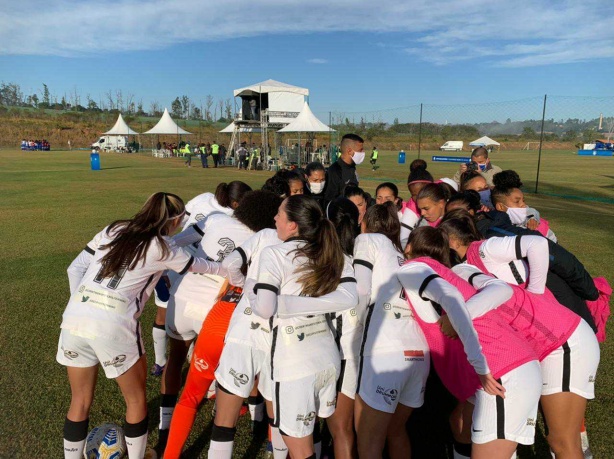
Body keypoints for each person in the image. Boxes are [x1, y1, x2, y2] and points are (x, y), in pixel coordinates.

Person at [57, 192, 223, 459]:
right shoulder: (163, 248)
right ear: (177, 219)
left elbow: (74, 269)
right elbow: (205, 267)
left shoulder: (115, 228)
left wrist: (83, 306)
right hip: (113, 327)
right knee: (135, 401)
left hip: (73, 321)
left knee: (79, 401)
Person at [439, 213, 601, 459]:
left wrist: (535, 291)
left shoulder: (482, 250)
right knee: (466, 423)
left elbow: (537, 244)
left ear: (450, 240)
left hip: (562, 342)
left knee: (561, 440)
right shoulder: (464, 270)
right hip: (533, 345)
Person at [401, 227, 542, 459]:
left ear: (409, 249)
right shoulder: (445, 274)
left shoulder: (416, 269)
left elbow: (457, 301)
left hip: (501, 371)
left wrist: (482, 368)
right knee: (460, 425)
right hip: (508, 366)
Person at [162, 191, 282, 459]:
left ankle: (169, 451)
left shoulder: (220, 221)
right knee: (271, 392)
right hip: (239, 319)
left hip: (208, 309)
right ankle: (267, 438)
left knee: (190, 390)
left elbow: (186, 240)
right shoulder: (273, 241)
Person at [252, 195, 358, 459]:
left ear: (293, 226)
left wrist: (255, 295)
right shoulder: (332, 252)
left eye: (279, 213)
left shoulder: (274, 253)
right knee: (310, 434)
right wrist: (302, 303)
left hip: (294, 364)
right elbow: (349, 298)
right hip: (327, 359)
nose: (275, 218)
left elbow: (265, 308)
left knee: (299, 447)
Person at [353, 203, 430, 459]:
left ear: (366, 222)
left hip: (385, 351)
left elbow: (362, 290)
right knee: (396, 431)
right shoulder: (401, 252)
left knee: (368, 440)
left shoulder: (368, 239)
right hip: (419, 353)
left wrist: (355, 326)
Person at [324, 134, 365, 202]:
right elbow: (330, 199)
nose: (363, 152)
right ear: (349, 151)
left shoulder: (352, 166)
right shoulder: (335, 171)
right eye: (360, 150)